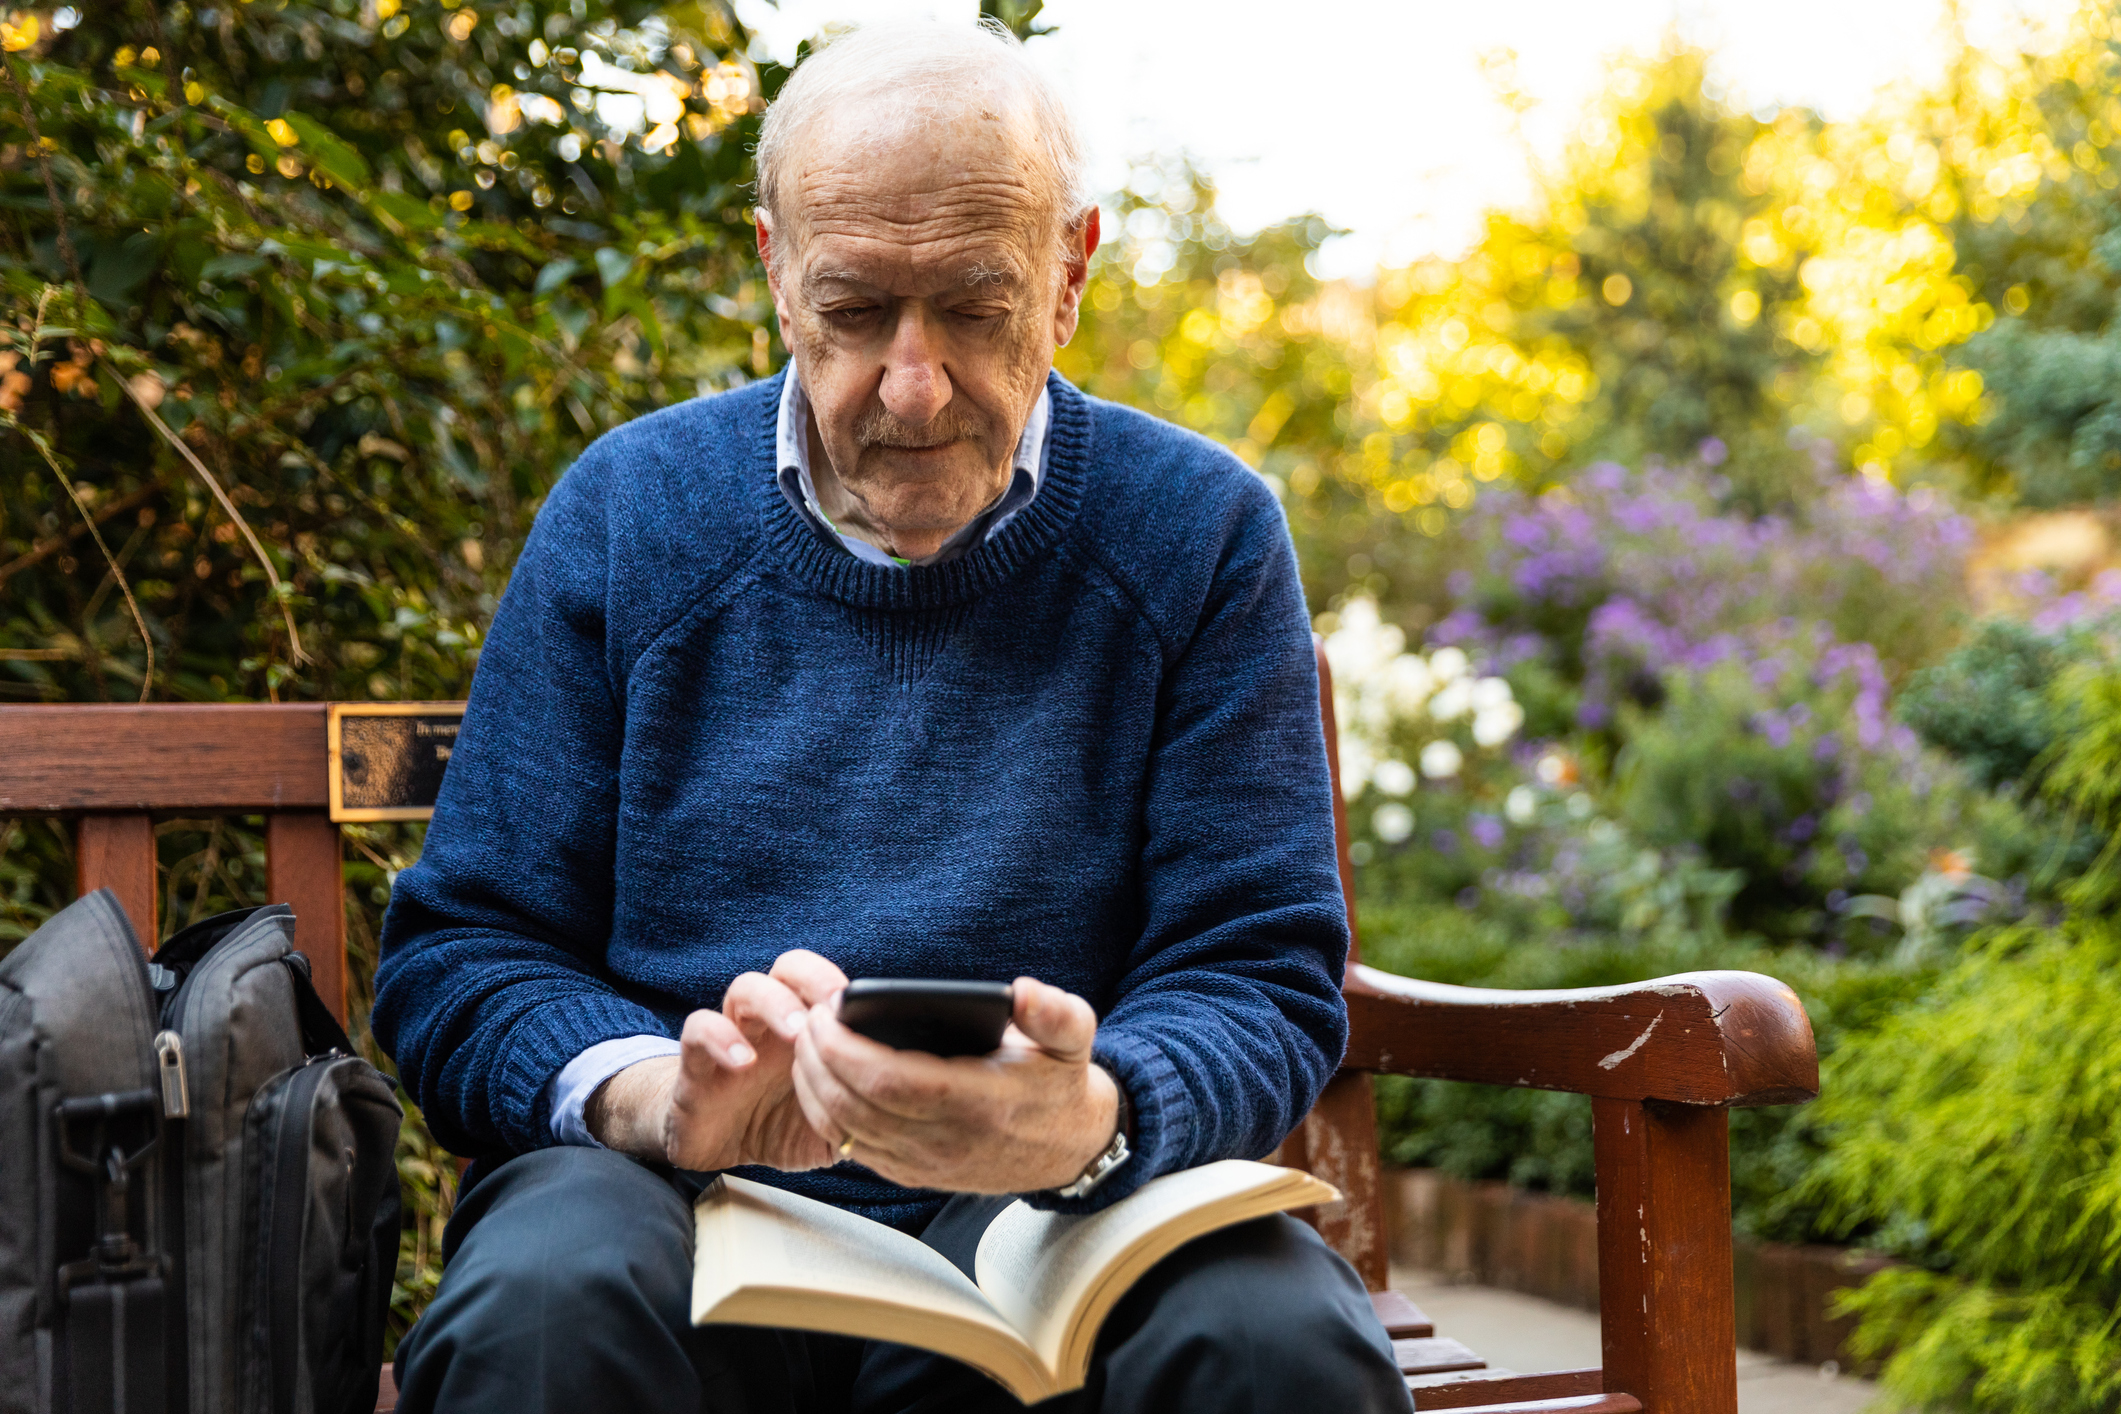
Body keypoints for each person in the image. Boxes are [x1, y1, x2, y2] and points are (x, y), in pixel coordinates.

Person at [373, 17, 1411, 1414]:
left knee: (1275, 1342)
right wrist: (650, 1094)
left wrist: (1096, 1109)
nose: (911, 389)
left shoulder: (1200, 533)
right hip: (680, 1206)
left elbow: (1256, 967)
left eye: (974, 308)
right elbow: (465, 955)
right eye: (855, 311)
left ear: (1068, 274)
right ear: (776, 277)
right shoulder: (629, 515)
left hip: (1059, 1203)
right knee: (538, 1309)